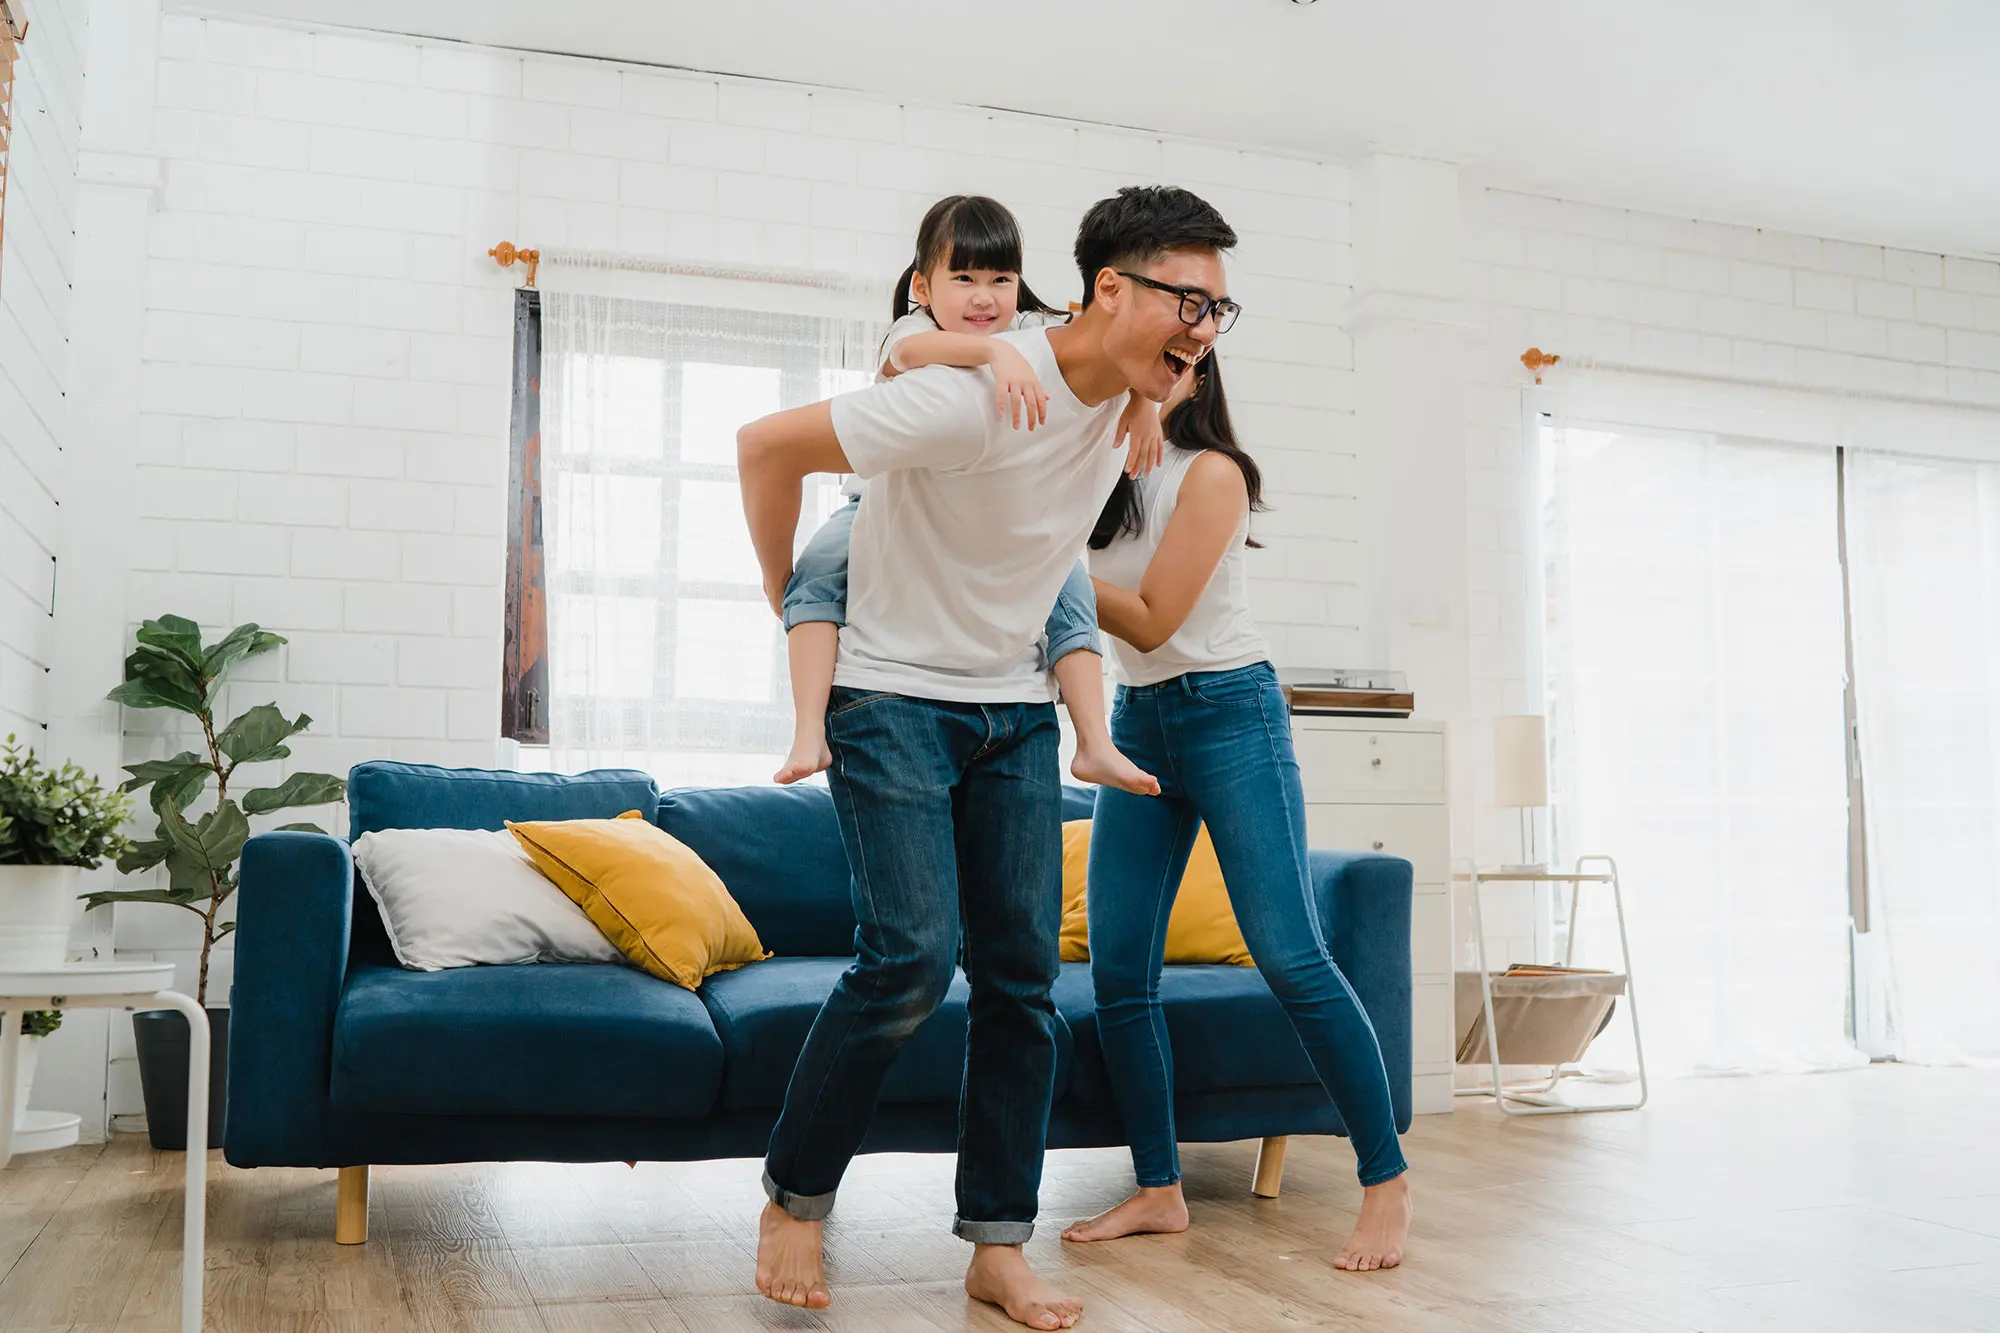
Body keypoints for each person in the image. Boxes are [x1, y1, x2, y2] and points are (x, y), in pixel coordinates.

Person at [737, 186, 1239, 1329]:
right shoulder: (967, 396)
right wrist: (789, 596)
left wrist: (1145, 407)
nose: (1202, 329)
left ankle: (995, 1246)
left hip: (1009, 708)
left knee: (1021, 986)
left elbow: (1071, 504)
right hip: (890, 701)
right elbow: (764, 449)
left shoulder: (1122, 408)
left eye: (1220, 309)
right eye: (1185, 302)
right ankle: (794, 1196)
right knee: (909, 960)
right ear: (1111, 291)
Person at [1058, 353, 1416, 1272]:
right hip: (1140, 720)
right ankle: (1159, 1187)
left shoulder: (1213, 473)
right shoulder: (1096, 473)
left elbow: (1148, 617)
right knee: (1118, 970)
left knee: (1291, 956)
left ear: (1199, 376)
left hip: (1230, 714)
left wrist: (1033, 553)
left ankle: (1386, 1180)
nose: (1152, 375)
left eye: (1175, 362)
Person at [776, 194, 1162, 801]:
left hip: (1001, 531)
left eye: (1001, 279)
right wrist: (993, 351)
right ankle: (806, 731)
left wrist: (1144, 400)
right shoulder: (917, 328)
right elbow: (907, 357)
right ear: (925, 288)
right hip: (870, 506)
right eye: (963, 279)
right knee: (816, 579)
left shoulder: (1032, 331)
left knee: (1072, 590)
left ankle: (1093, 740)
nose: (984, 297)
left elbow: (1109, 346)